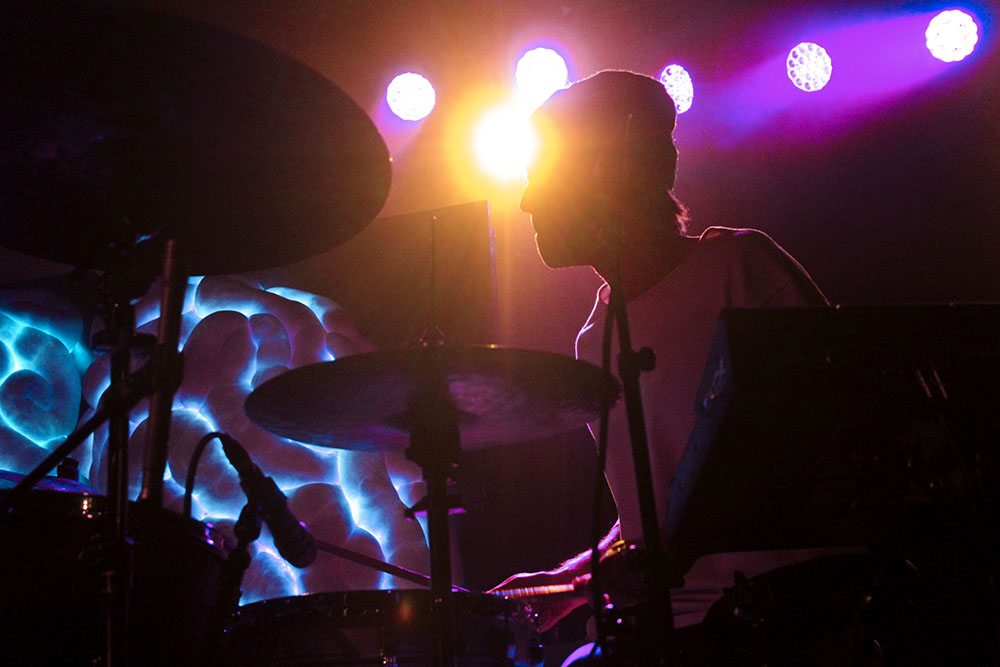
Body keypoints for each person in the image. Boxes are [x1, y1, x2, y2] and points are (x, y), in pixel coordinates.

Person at [492, 70, 836, 650]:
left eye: (540, 177)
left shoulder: (738, 268)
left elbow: (836, 438)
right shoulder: (594, 340)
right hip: (667, 629)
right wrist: (573, 581)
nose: (526, 202)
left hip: (780, 613)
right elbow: (652, 518)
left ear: (613, 168)